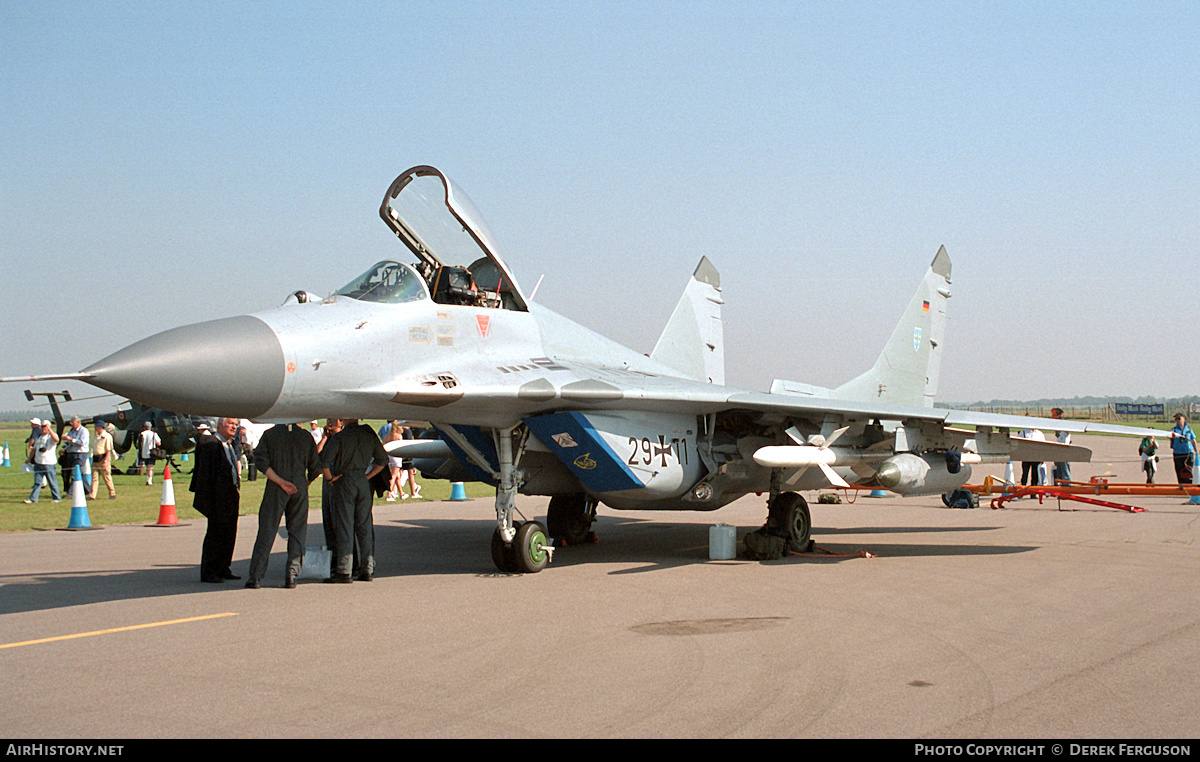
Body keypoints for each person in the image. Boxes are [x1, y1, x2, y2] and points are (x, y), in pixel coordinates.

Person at [245, 423, 322, 589]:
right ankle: (292, 574)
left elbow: (260, 461)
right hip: (299, 485)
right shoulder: (305, 437)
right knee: (297, 531)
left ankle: (256, 576)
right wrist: (305, 483)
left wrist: (280, 482)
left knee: (267, 529)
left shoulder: (269, 435)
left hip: (276, 485)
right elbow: (315, 468)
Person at [320, 418, 388, 583]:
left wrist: (330, 479)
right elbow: (382, 460)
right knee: (364, 526)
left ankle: (345, 570)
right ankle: (367, 569)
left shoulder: (340, 437)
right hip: (362, 481)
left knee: (345, 525)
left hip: (345, 481)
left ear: (344, 419)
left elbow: (324, 462)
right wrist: (368, 476)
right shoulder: (368, 436)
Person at [190, 417, 242, 583]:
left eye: (236, 424)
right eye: (230, 424)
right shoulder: (211, 443)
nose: (233, 427)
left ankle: (223, 567)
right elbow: (205, 474)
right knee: (215, 534)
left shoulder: (229, 444)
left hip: (231, 492)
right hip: (217, 496)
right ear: (219, 425)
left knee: (229, 532)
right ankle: (209, 571)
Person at [316, 418, 343, 565]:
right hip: (327, 484)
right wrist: (324, 438)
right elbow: (316, 457)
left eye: (333, 419)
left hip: (337, 483)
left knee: (338, 522)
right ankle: (332, 558)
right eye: (328, 420)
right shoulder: (327, 440)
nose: (330, 422)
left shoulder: (341, 439)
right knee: (327, 520)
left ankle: (342, 559)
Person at [24, 420, 61, 504]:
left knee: (52, 481)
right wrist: (29, 459)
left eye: (45, 427)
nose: (43, 429)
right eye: (42, 427)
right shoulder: (39, 437)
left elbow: (56, 439)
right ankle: (33, 499)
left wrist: (49, 429)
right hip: (39, 462)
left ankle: (57, 498)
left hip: (49, 463)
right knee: (37, 482)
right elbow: (34, 449)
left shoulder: (51, 437)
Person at [60, 415, 90, 494]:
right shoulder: (71, 431)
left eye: (72, 423)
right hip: (71, 453)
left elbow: (82, 442)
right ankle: (88, 490)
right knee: (79, 473)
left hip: (80, 454)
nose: (71, 424)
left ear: (78, 422)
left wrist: (71, 439)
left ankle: (70, 492)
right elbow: (68, 440)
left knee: (74, 473)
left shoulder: (84, 431)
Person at [89, 420, 117, 499]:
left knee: (106, 477)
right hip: (95, 459)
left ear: (100, 427)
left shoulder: (107, 436)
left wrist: (105, 461)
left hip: (103, 458)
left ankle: (112, 493)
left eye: (96, 426)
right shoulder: (95, 437)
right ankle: (92, 495)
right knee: (94, 478)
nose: (95, 428)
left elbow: (108, 449)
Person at [1169, 414, 1196, 484]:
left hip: (1189, 453)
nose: (1177, 420)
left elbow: (1193, 440)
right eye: (1176, 419)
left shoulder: (1189, 429)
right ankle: (1181, 487)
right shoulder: (1174, 429)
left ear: (1183, 419)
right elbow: (1168, 434)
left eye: (1179, 418)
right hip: (1178, 453)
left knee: (1188, 471)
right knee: (1179, 471)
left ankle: (1189, 486)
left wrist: (1196, 451)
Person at [137, 421, 162, 486]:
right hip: (151, 453)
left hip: (143, 453)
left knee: (146, 467)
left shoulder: (141, 434)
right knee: (150, 467)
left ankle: (146, 478)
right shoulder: (154, 434)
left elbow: (137, 444)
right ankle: (149, 480)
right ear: (150, 427)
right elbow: (159, 443)